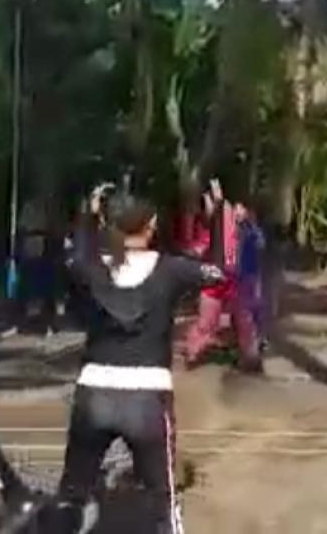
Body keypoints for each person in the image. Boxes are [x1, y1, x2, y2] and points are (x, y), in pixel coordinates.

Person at [48, 192, 226, 533]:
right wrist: (217, 218)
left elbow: (73, 255)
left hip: (94, 393)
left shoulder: (90, 267)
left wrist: (88, 217)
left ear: (108, 225)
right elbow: (220, 271)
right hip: (147, 398)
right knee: (163, 501)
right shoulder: (171, 269)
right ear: (152, 226)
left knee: (71, 495)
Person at [181, 179, 260, 371]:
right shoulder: (214, 223)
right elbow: (207, 232)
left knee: (244, 320)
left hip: (238, 280)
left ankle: (250, 357)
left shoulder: (249, 230)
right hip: (216, 278)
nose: (238, 211)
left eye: (241, 208)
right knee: (207, 321)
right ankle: (192, 352)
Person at [234, 199, 267, 350]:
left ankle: (259, 338)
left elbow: (261, 245)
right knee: (243, 309)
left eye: (239, 209)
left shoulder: (252, 231)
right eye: (235, 210)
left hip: (251, 274)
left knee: (254, 308)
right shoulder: (233, 230)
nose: (236, 213)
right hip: (238, 275)